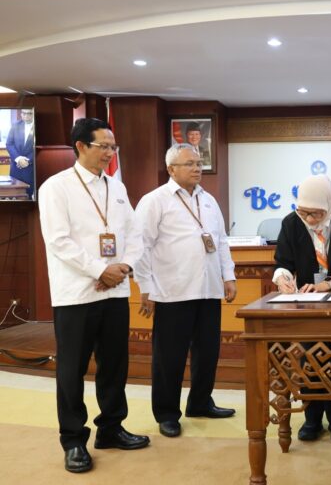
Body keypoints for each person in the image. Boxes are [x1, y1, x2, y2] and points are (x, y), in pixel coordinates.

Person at [38, 118, 150, 474]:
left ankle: (111, 428)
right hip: (76, 294)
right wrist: (99, 270)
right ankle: (73, 440)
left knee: (115, 364)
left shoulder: (116, 187)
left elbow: (134, 234)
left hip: (114, 290)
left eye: (113, 147)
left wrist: (123, 267)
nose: (110, 153)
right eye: (104, 146)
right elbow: (58, 241)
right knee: (72, 369)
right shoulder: (56, 187)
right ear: (81, 146)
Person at [133, 144, 237, 438]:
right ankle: (167, 413)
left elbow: (221, 241)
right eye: (189, 163)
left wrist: (228, 276)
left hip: (208, 288)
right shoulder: (155, 200)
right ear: (171, 169)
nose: (197, 168)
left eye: (198, 163)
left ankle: (200, 402)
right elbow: (141, 246)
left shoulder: (208, 200)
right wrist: (146, 287)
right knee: (170, 357)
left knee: (208, 352)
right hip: (172, 291)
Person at [272, 174, 331, 442]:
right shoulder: (291, 223)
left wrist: (328, 284)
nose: (310, 219)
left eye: (316, 213)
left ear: (328, 206)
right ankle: (312, 417)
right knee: (310, 357)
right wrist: (282, 279)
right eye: (304, 212)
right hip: (308, 300)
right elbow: (283, 262)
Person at [6, 108, 35, 197]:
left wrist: (28, 161)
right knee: (13, 195)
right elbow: (9, 144)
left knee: (29, 196)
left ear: (33, 113)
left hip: (31, 168)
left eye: (29, 113)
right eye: (23, 113)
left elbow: (39, 147)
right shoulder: (15, 126)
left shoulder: (40, 126)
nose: (26, 116)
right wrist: (18, 159)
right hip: (16, 167)